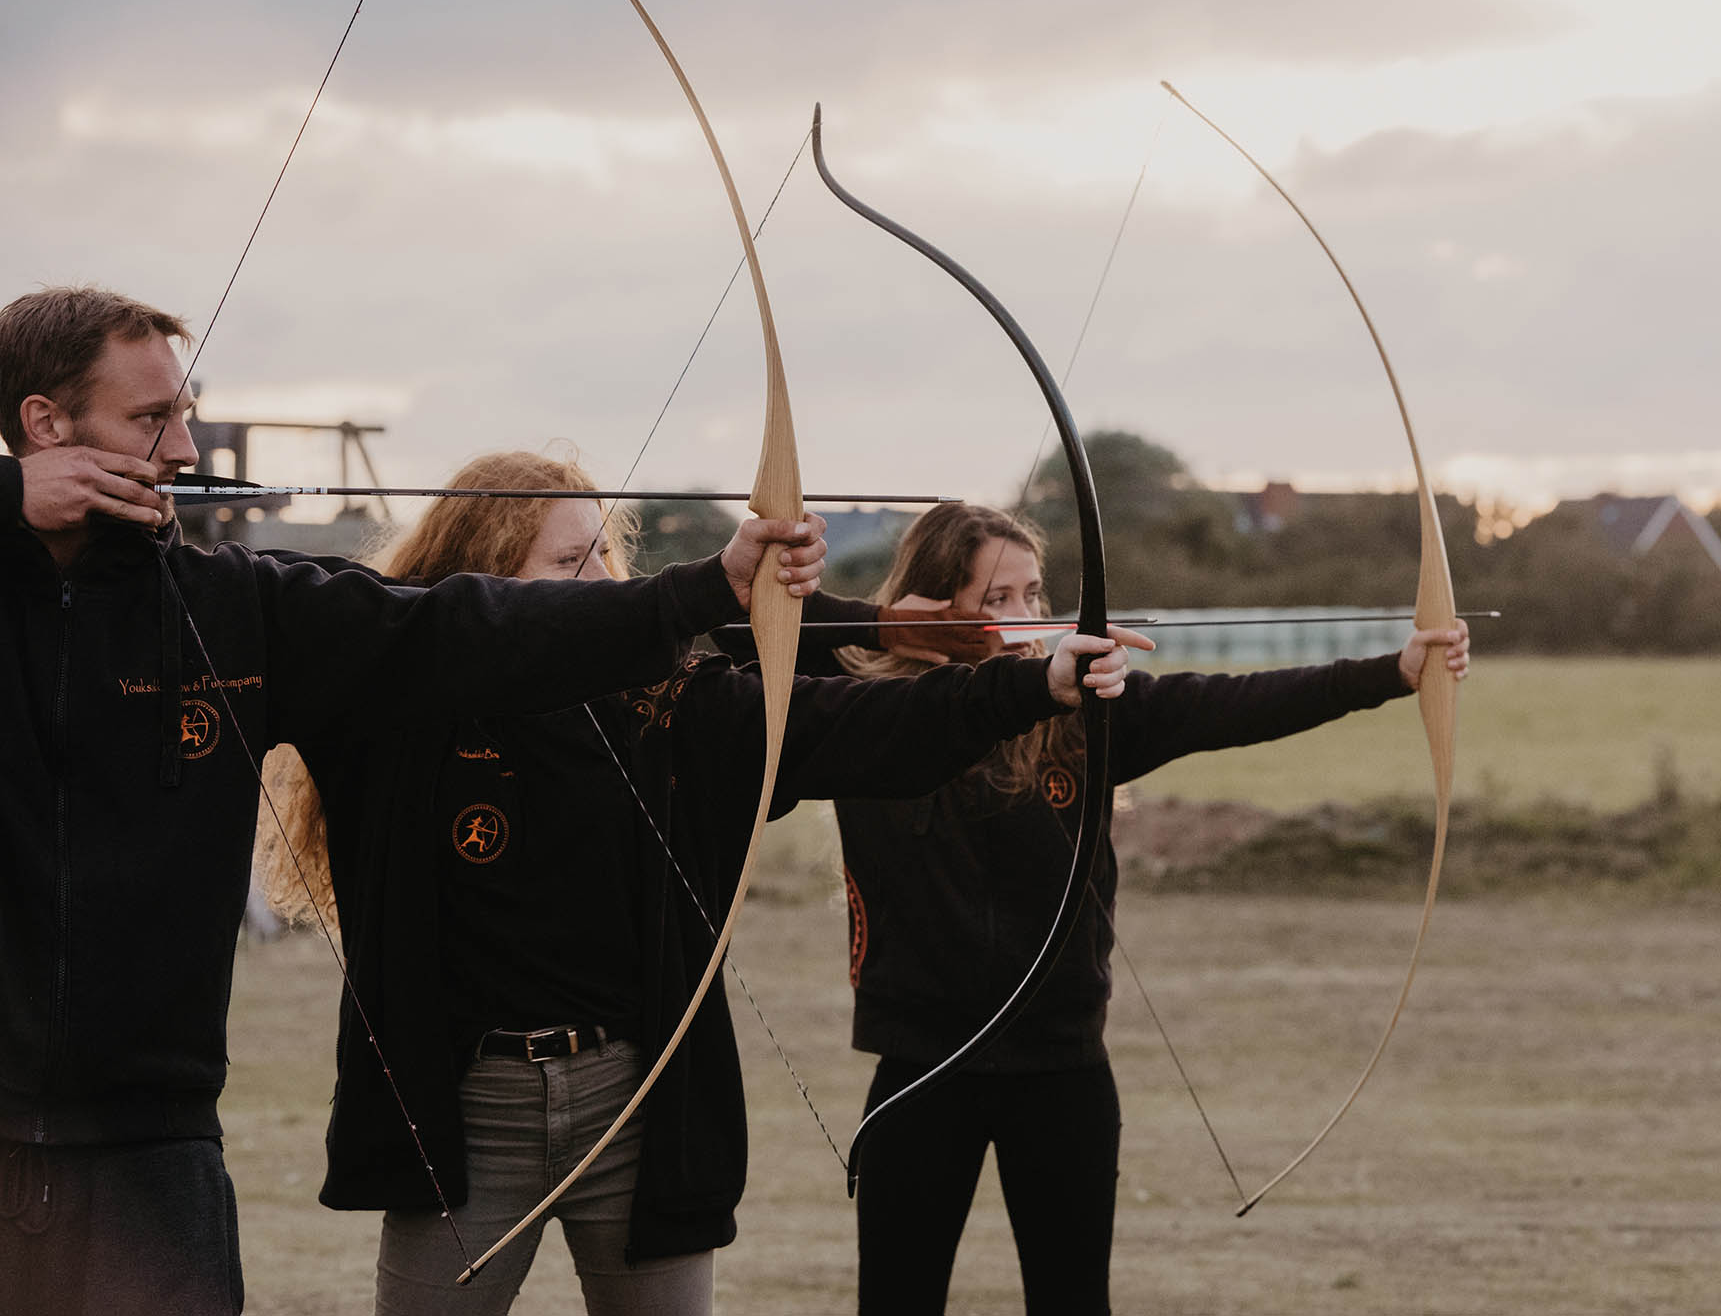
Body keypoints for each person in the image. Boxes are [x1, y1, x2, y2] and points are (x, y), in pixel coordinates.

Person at [0, 286, 829, 1316]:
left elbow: (461, 630)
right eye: (150, 419)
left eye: (186, 415)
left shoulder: (232, 605)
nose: (184, 448)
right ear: (46, 426)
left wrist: (703, 588)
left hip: (154, 1143)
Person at [254, 449, 1148, 1315]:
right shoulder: (399, 705)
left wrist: (1032, 684)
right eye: (568, 561)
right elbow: (337, 610)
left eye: (604, 554)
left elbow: (848, 724)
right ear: (483, 580)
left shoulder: (664, 699)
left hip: (636, 1107)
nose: (603, 581)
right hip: (465, 1113)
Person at [770, 502, 1470, 1316]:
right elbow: (742, 641)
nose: (1028, 617)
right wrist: (878, 626)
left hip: (1060, 1067)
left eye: (1034, 593)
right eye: (998, 599)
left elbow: (1236, 702)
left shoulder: (1088, 713)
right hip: (920, 1067)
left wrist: (1394, 671)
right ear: (933, 605)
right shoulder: (863, 715)